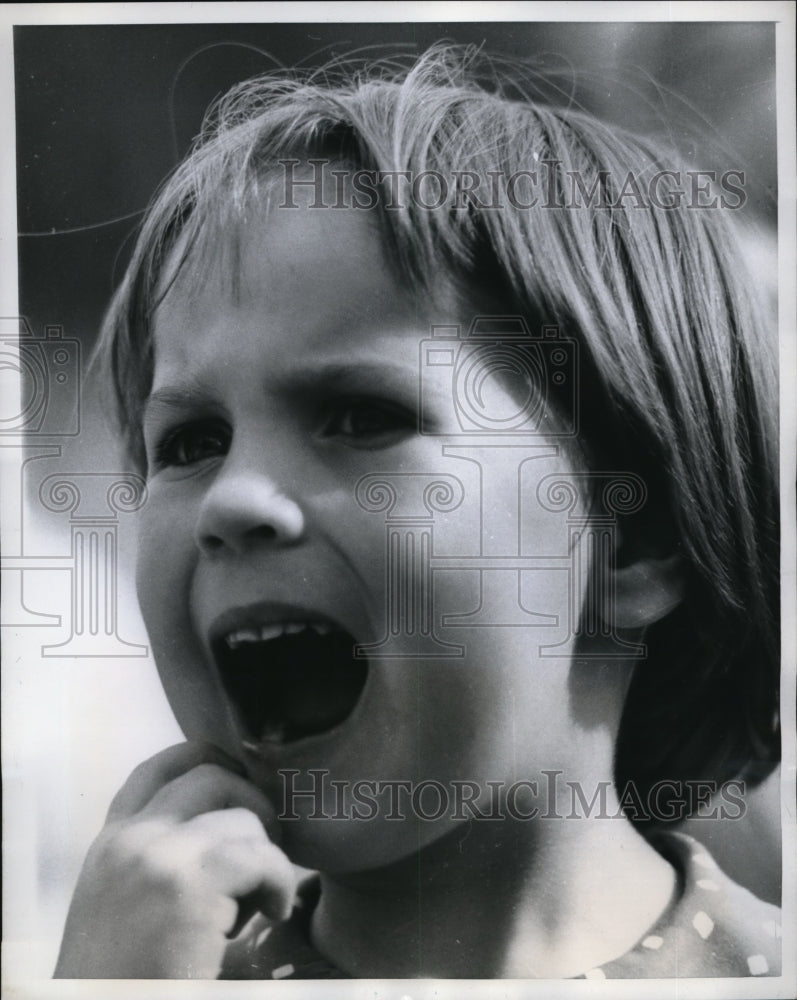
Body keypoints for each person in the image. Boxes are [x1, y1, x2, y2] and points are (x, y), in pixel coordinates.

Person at [54, 47, 780, 980]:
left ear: (631, 540)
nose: (233, 498)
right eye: (191, 441)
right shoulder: (143, 973)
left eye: (361, 417)